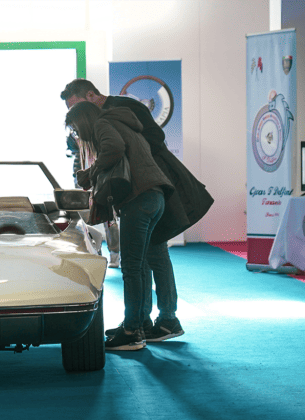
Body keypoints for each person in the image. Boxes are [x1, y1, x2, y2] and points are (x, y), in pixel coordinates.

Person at [61, 79, 212, 342]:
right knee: (148, 258)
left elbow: (137, 145)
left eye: (75, 109)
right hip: (153, 189)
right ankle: (146, 320)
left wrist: (98, 172)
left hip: (143, 190)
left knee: (144, 260)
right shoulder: (120, 117)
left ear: (90, 97)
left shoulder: (109, 120)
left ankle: (145, 325)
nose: (74, 123)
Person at [67, 102, 174, 351]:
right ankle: (139, 323)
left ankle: (131, 332)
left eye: (75, 128)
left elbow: (114, 149)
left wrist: (91, 173)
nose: (76, 134)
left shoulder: (103, 124)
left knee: (132, 267)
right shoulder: (123, 123)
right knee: (142, 264)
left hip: (139, 199)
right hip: (154, 197)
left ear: (83, 120)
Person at [67, 131, 120, 268]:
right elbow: (73, 153)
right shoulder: (75, 135)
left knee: (110, 219)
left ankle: (115, 254)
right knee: (80, 219)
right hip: (82, 181)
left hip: (101, 180)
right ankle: (86, 253)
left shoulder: (100, 132)